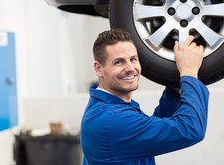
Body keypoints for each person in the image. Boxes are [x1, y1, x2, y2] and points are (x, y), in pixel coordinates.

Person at [81, 28, 209, 165]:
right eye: (119, 62)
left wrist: (175, 88)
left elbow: (153, 129)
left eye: (133, 59)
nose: (130, 68)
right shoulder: (113, 119)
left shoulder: (107, 108)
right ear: (98, 69)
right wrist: (189, 73)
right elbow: (190, 129)